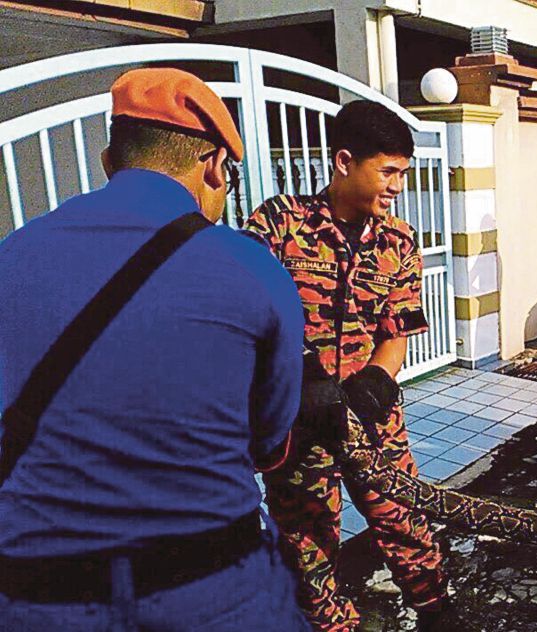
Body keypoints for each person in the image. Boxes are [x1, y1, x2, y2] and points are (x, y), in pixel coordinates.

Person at [0, 68, 311, 631]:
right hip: (212, 591)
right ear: (215, 165)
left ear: (107, 163)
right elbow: (270, 439)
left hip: (37, 596)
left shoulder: (10, 257)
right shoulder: (252, 269)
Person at [243, 100, 448, 631]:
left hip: (370, 419)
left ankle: (436, 609)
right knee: (307, 541)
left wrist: (372, 386)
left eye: (404, 173)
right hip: (298, 421)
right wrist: (306, 377)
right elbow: (251, 310)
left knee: (403, 521)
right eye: (388, 172)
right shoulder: (278, 223)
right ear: (343, 162)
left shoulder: (399, 242)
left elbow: (396, 335)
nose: (398, 185)